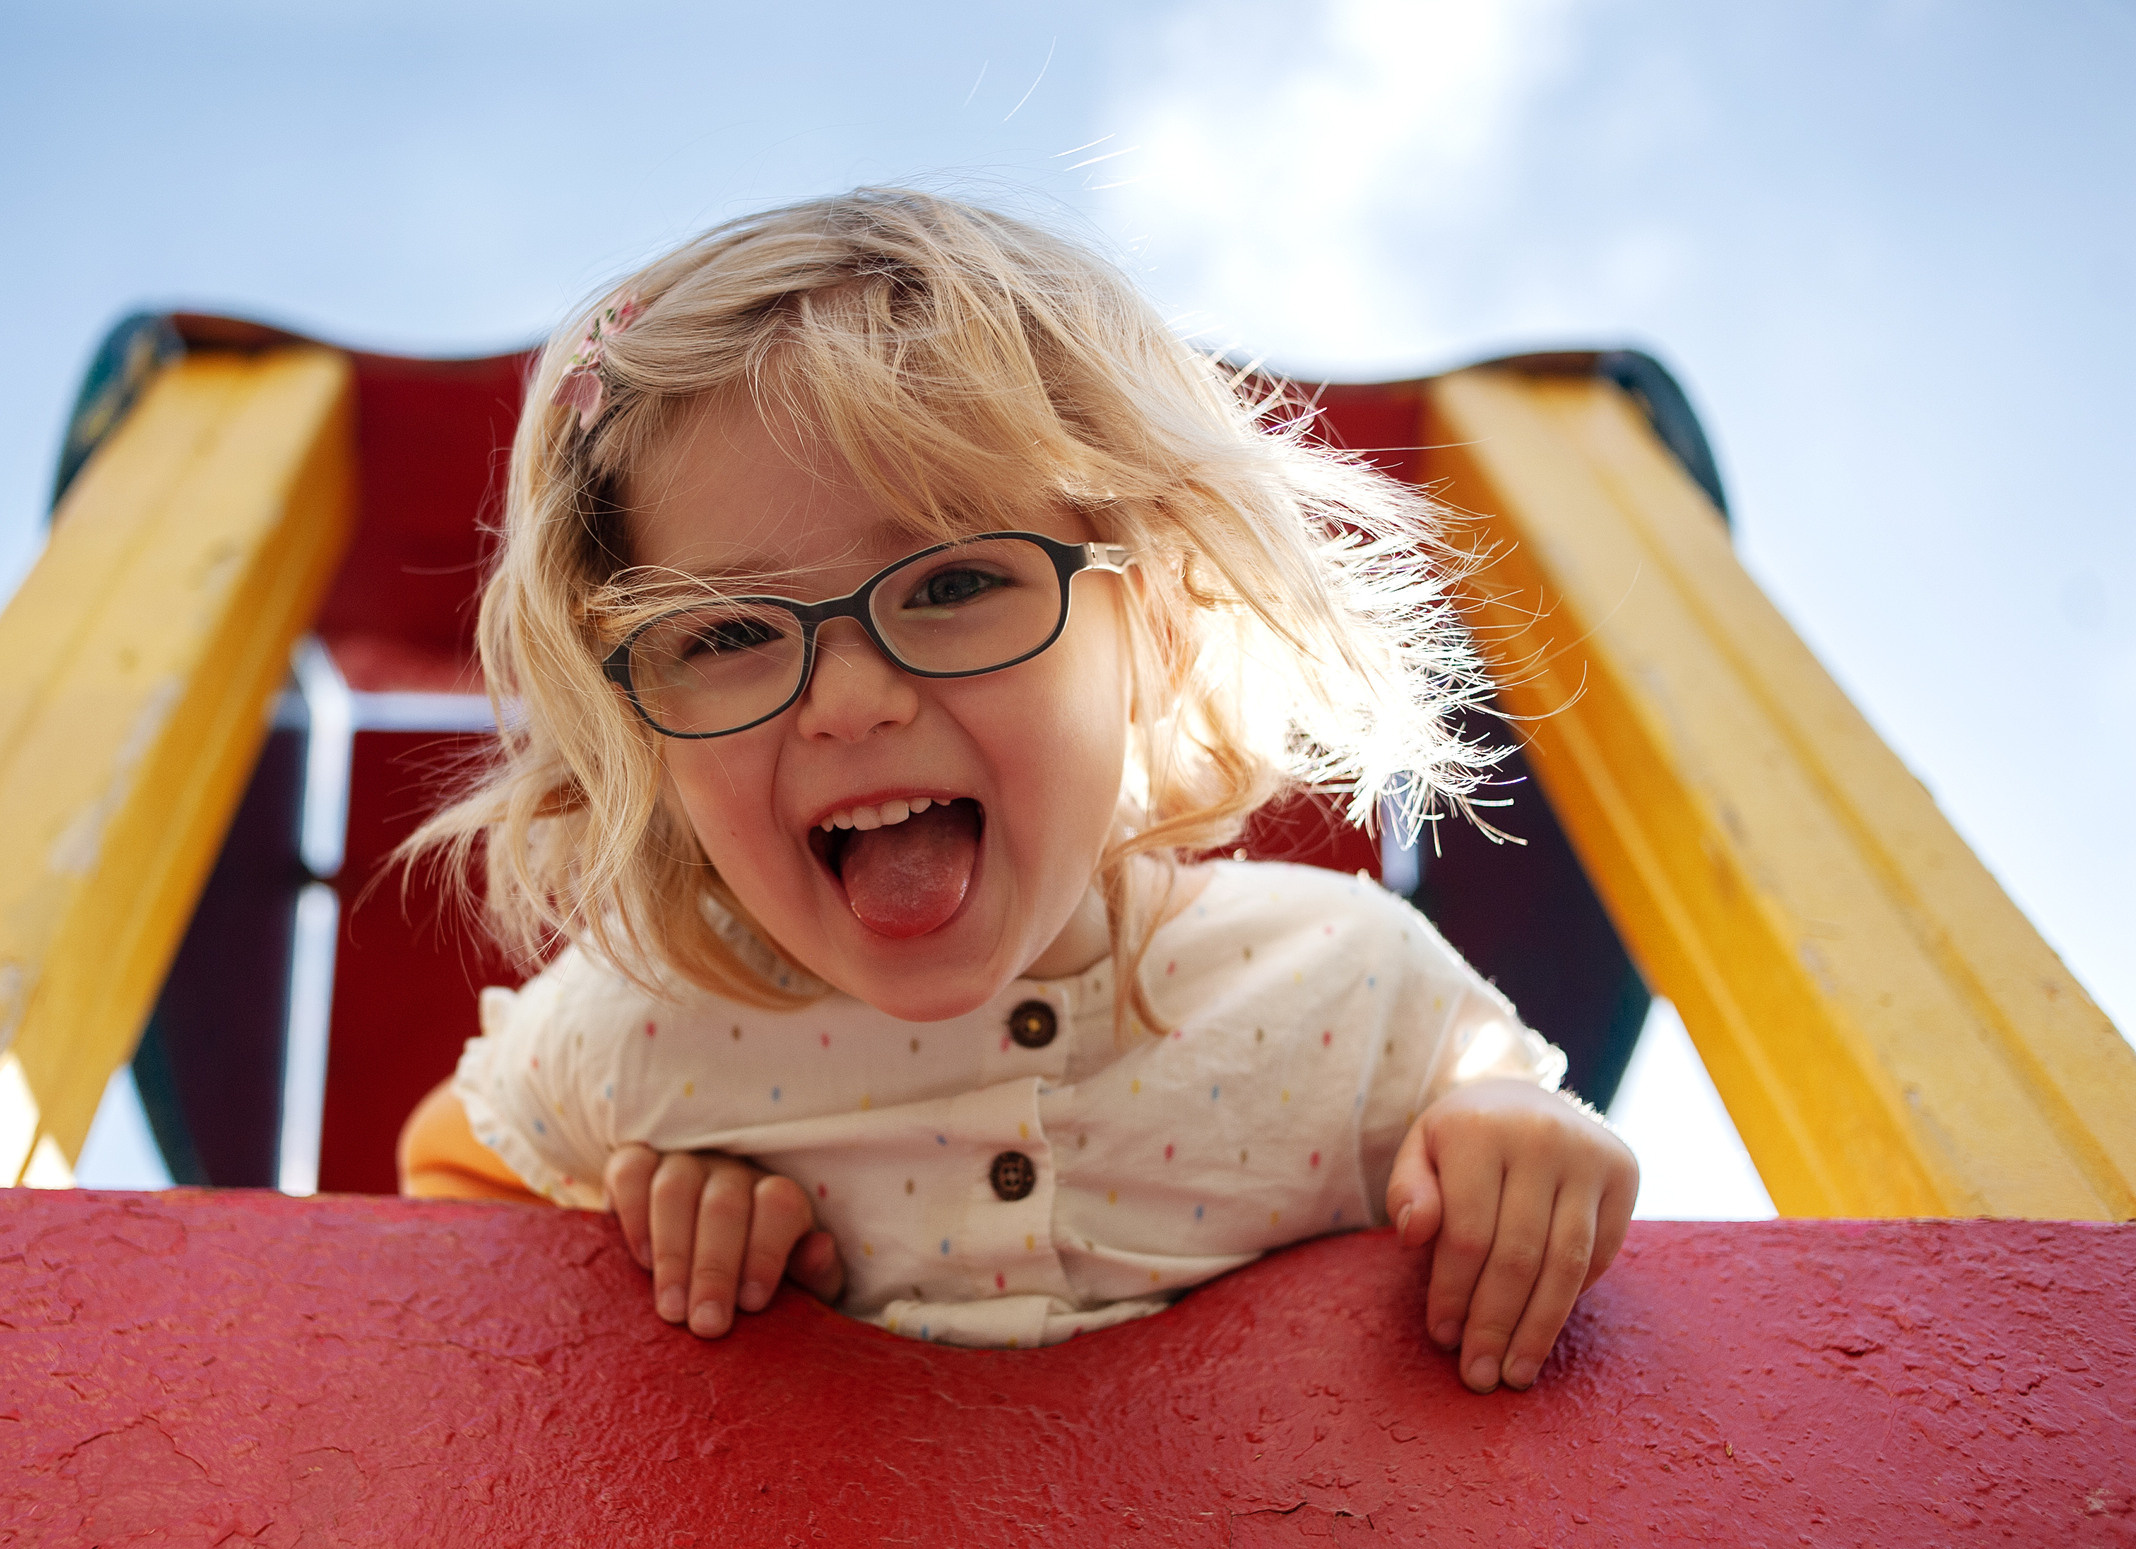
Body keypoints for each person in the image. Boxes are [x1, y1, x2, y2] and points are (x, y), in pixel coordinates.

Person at [395, 188, 1637, 1392]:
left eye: (951, 584)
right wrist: (622, 1222)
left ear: (1153, 626)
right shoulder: (644, 1036)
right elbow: (448, 1183)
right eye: (724, 635)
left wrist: (1520, 1150)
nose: (848, 702)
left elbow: (1504, 1118)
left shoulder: (1343, 985)